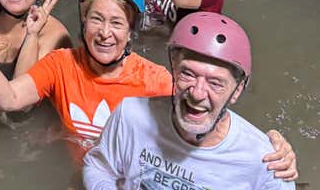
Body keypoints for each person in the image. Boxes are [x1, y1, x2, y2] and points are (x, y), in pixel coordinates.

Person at [0, 0, 298, 177]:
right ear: (83, 23)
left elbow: (207, 116)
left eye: (117, 22)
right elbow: (10, 99)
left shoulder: (154, 80)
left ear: (131, 32)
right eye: (96, 19)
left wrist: (270, 147)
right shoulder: (61, 64)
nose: (105, 32)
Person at [83, 11, 299, 188]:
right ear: (174, 70)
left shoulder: (266, 162)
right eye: (188, 74)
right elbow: (100, 167)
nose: (197, 93)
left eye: (215, 83)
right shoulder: (130, 114)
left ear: (237, 91)